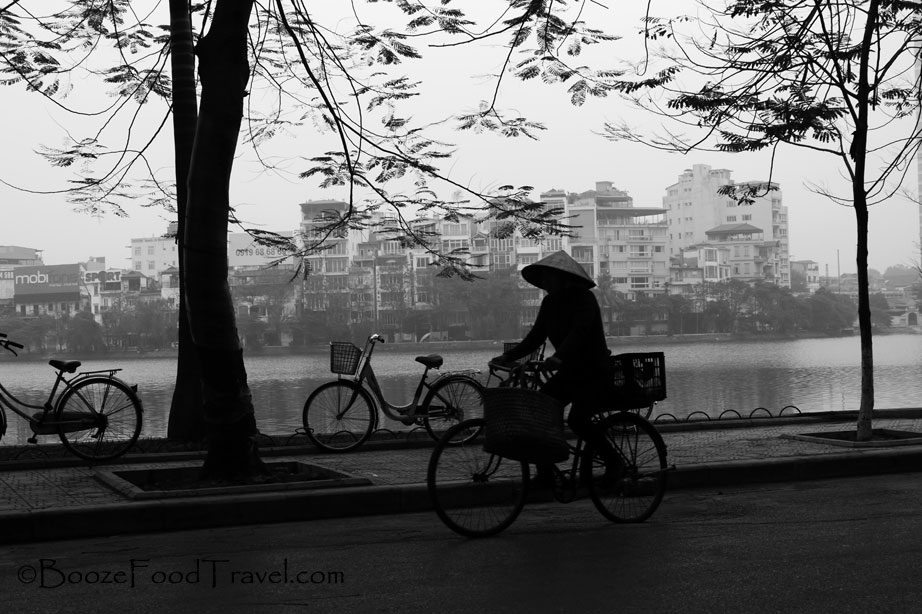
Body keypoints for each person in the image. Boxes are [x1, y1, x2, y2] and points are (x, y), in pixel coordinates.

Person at [490, 250, 613, 483]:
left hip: (593, 371)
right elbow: (536, 336)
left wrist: (558, 357)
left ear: (562, 278)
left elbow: (579, 332)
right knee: (540, 411)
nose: (544, 283)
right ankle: (545, 474)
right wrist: (508, 357)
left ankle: (614, 462)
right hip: (569, 373)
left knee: (578, 420)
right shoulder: (549, 303)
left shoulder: (584, 299)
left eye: (548, 277)